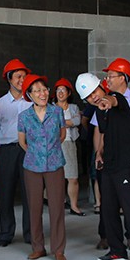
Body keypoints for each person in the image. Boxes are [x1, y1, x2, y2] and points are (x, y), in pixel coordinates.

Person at [75, 72, 130, 260]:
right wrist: (99, 153)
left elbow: (113, 101)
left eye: (94, 92)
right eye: (88, 97)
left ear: (101, 86)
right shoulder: (98, 112)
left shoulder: (118, 99)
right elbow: (103, 133)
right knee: (108, 210)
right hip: (109, 165)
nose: (93, 97)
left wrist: (107, 101)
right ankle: (117, 251)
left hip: (127, 165)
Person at [93, 58, 130, 250]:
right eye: (107, 76)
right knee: (110, 203)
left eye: (111, 76)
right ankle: (114, 246)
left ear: (123, 78)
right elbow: (101, 131)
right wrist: (99, 152)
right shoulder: (104, 100)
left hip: (129, 158)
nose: (107, 80)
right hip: (111, 158)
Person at [18, 74, 67, 260]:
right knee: (34, 207)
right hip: (32, 166)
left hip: (54, 164)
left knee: (57, 207)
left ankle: (58, 249)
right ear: (29, 94)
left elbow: (62, 135)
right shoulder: (24, 116)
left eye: (45, 89)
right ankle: (38, 247)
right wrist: (36, 154)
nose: (43, 93)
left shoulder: (57, 112)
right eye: (37, 90)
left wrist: (49, 152)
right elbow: (22, 142)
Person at [0, 58, 32, 247]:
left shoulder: (32, 101)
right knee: (6, 193)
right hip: (8, 152)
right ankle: (6, 233)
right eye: (18, 76)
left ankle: (31, 234)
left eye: (24, 76)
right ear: (9, 79)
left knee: (30, 192)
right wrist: (5, 142)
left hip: (28, 150)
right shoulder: (0, 104)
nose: (22, 80)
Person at [53, 78, 85, 216]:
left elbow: (77, 121)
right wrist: (67, 122)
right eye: (58, 90)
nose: (60, 93)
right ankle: (58, 205)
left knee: (72, 177)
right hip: (55, 144)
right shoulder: (51, 107)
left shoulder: (73, 107)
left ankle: (74, 206)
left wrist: (60, 123)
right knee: (57, 178)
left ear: (69, 93)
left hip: (70, 143)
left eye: (63, 90)